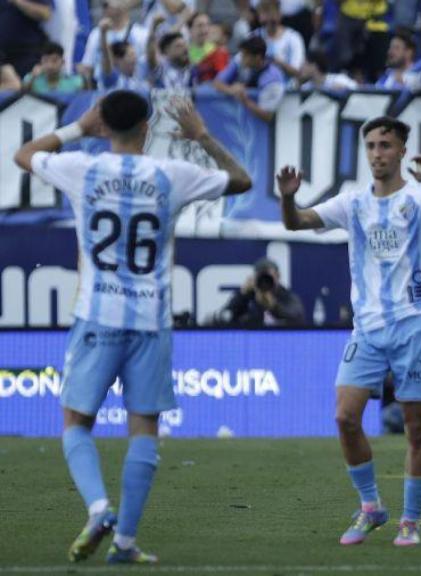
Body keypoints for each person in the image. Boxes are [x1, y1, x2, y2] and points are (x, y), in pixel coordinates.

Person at [13, 91, 251, 564]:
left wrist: (77, 128)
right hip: (150, 319)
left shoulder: (81, 168)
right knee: (144, 429)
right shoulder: (173, 175)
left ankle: (100, 508)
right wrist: (201, 135)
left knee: (76, 423)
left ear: (104, 125)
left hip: (96, 315)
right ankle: (124, 541)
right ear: (148, 128)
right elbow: (242, 181)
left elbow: (24, 155)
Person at [277, 116, 421, 546]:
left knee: (416, 427)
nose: (377, 154)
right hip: (367, 328)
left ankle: (410, 520)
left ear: (402, 150)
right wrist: (288, 200)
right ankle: (371, 507)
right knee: (345, 417)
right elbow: (295, 223)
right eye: (370, 146)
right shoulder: (352, 203)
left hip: (417, 325)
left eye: (385, 145)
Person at [213, 35, 286, 123]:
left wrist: (245, 100)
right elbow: (217, 82)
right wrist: (231, 90)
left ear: (257, 57)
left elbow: (267, 116)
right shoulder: (240, 59)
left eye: (245, 56)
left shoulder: (274, 80)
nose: (242, 58)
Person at [78, 0, 148, 88]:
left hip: (135, 89)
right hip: (103, 90)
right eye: (104, 5)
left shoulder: (141, 34)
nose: (105, 7)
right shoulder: (95, 35)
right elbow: (88, 67)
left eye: (108, 4)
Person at [221, 258, 305, 327]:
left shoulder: (285, 296)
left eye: (268, 278)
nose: (264, 282)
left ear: (278, 276)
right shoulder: (248, 296)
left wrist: (274, 307)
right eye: (261, 277)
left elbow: (297, 317)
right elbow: (226, 316)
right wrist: (242, 294)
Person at [253, 0, 305, 80]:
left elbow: (297, 71)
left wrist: (276, 62)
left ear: (280, 15)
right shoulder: (254, 36)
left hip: (287, 89)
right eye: (265, 13)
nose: (268, 19)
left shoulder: (293, 37)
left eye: (271, 14)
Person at [0, 0, 52, 78]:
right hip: (2, 53)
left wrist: (17, 1)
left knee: (26, 85)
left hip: (25, 52)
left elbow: (45, 14)